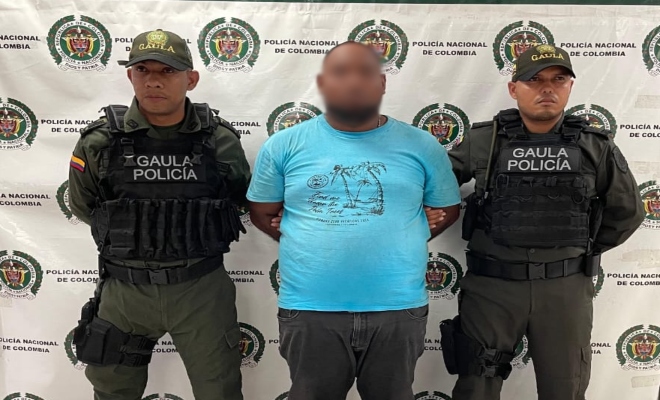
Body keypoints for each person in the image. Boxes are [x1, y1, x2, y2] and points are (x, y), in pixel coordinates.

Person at [247, 41, 461, 400]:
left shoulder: (422, 146)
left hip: (397, 307)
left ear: (382, 83)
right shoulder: (284, 145)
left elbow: (447, 210)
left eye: (365, 73)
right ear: (323, 83)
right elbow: (262, 212)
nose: (354, 82)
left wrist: (400, 234)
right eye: (341, 73)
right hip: (312, 308)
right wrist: (311, 237)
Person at [439, 44, 645, 400]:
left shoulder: (594, 145)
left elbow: (627, 212)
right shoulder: (484, 140)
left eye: (558, 79)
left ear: (570, 86)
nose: (547, 88)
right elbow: (434, 184)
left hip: (564, 288)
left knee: (565, 387)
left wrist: (577, 245)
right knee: (476, 386)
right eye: (534, 80)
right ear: (513, 88)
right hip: (492, 288)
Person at [68, 29, 250, 400]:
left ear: (191, 79)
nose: (153, 80)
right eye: (143, 69)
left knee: (219, 391)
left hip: (201, 289)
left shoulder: (220, 140)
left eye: (167, 71)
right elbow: (85, 207)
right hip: (125, 291)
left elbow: (239, 199)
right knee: (113, 391)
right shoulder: (99, 142)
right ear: (130, 75)